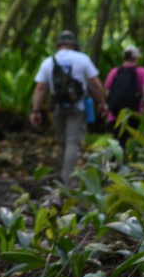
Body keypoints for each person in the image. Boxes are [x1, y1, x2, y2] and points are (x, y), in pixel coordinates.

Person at [29, 30, 107, 183]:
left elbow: (40, 88)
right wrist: (102, 103)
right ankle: (67, 181)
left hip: (58, 107)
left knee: (63, 141)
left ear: (59, 44)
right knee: (73, 142)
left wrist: (35, 110)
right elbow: (95, 84)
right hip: (77, 107)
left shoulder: (48, 62)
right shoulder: (82, 59)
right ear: (73, 43)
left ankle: (63, 176)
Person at [104, 45, 144, 144]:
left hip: (115, 116)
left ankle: (116, 160)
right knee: (133, 145)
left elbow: (107, 92)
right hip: (136, 115)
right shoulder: (142, 72)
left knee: (117, 144)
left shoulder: (114, 72)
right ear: (137, 58)